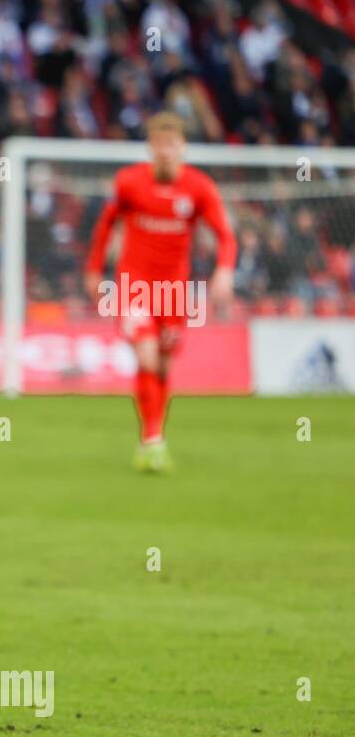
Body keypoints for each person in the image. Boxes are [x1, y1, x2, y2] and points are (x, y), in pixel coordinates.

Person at [85, 111, 236, 473]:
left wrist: (225, 271)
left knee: (164, 366)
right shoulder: (128, 183)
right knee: (147, 356)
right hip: (134, 284)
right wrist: (93, 270)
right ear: (150, 148)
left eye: (172, 144)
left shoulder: (199, 188)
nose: (165, 151)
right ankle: (153, 441)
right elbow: (105, 225)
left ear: (183, 147)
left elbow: (225, 235)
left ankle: (152, 436)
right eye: (159, 144)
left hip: (174, 291)